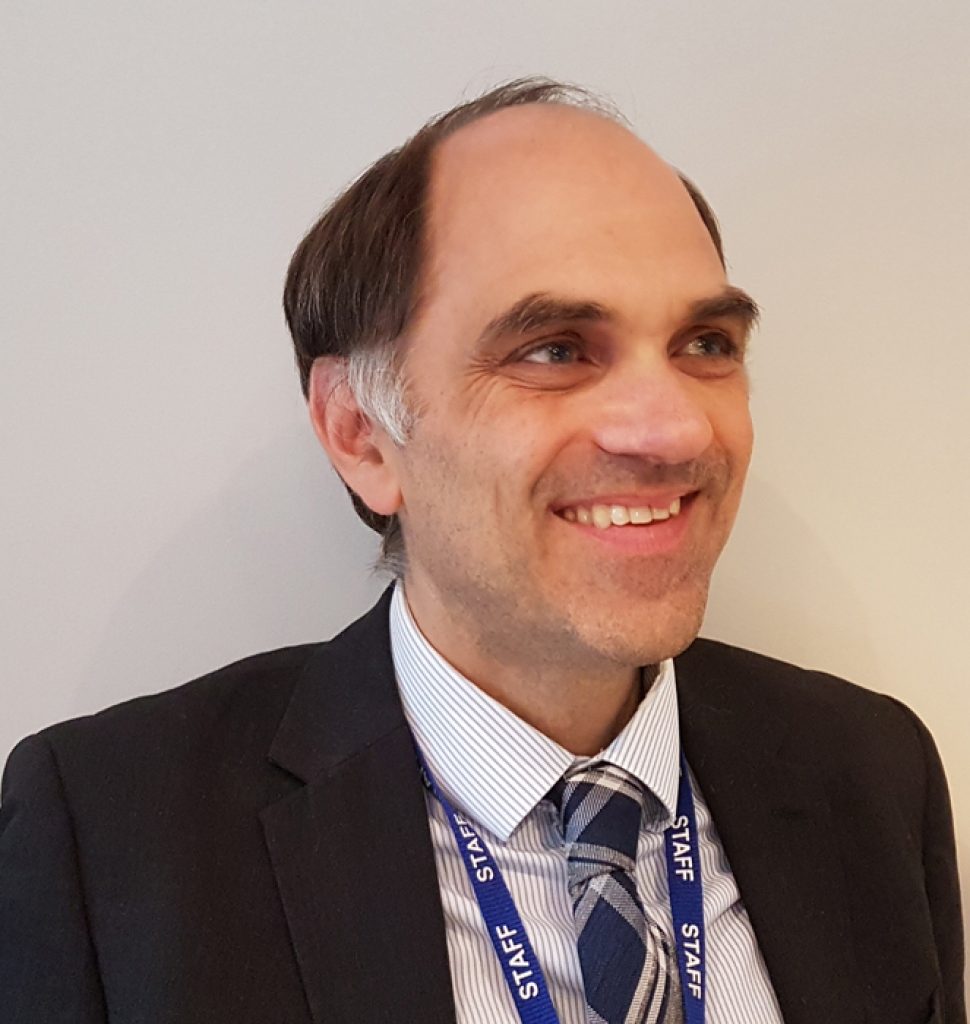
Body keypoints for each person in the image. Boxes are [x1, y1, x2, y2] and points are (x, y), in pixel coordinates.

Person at [0, 79, 963, 1024]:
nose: (673, 430)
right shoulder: (109, 839)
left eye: (705, 343)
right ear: (361, 436)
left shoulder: (873, 774)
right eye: (555, 350)